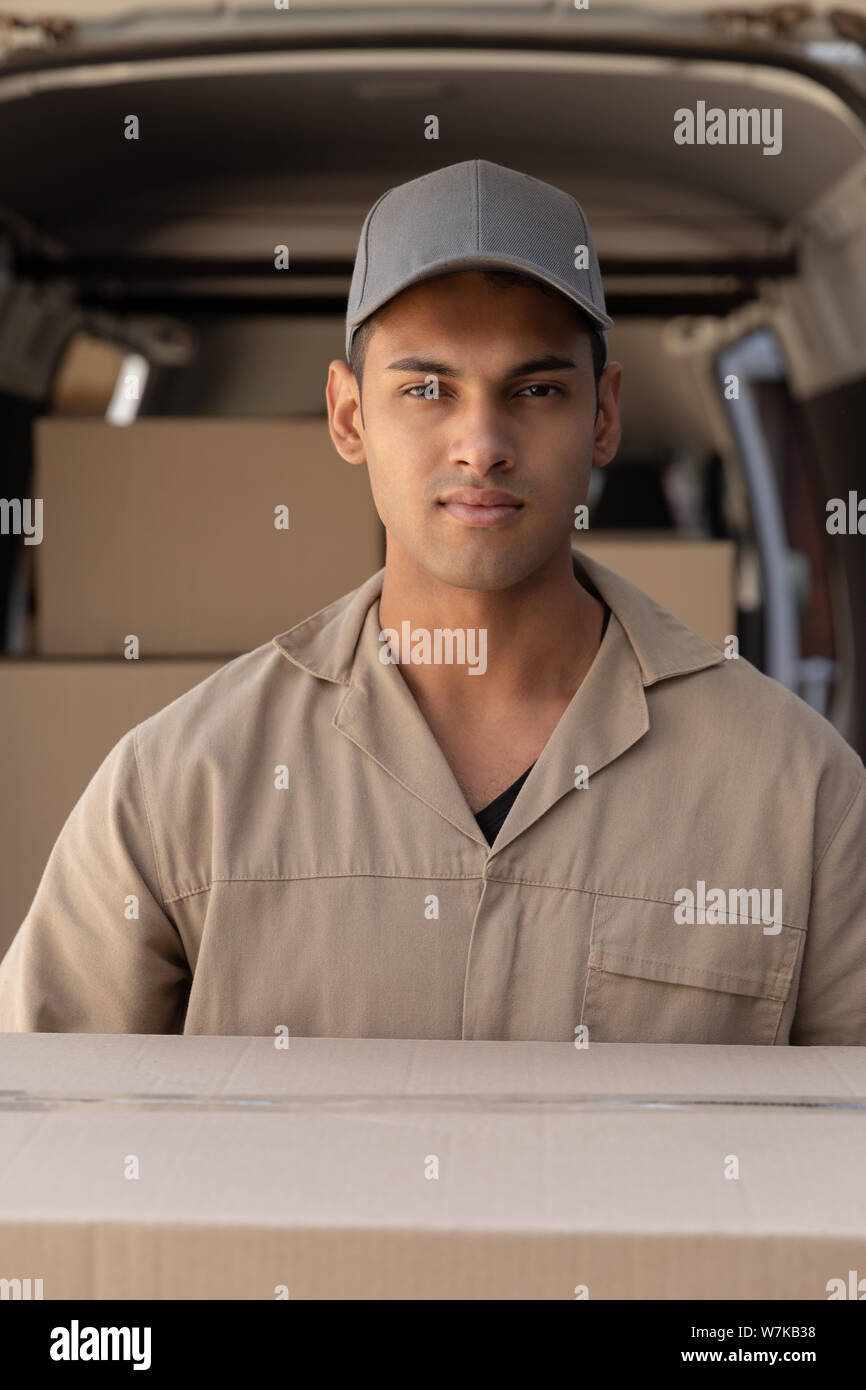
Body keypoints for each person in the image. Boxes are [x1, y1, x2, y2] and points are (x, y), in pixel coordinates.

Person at [1, 159, 864, 1043]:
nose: (482, 445)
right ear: (348, 416)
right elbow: (33, 1123)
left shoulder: (796, 795)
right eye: (425, 389)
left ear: (603, 415)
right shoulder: (183, 785)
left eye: (535, 389)